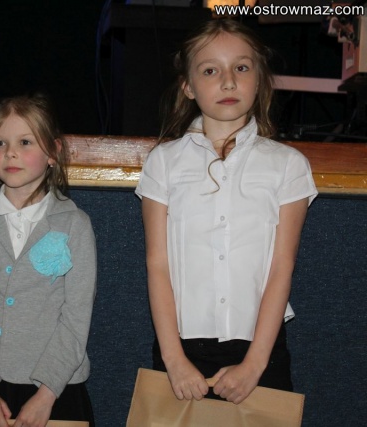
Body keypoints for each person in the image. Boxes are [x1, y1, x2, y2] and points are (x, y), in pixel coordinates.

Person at [135, 18, 318, 405]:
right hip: (179, 349)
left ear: (259, 79)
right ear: (188, 86)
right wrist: (174, 361)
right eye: (210, 70)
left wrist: (254, 365)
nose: (229, 81)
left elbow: (281, 266)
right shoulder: (163, 162)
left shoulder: (288, 165)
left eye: (241, 67)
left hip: (261, 349)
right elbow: (157, 263)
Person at [0, 94, 97, 427]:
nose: (10, 152)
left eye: (25, 142)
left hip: (55, 390)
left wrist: (46, 396)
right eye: (0, 143)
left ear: (53, 153)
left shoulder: (74, 224)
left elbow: (76, 319)